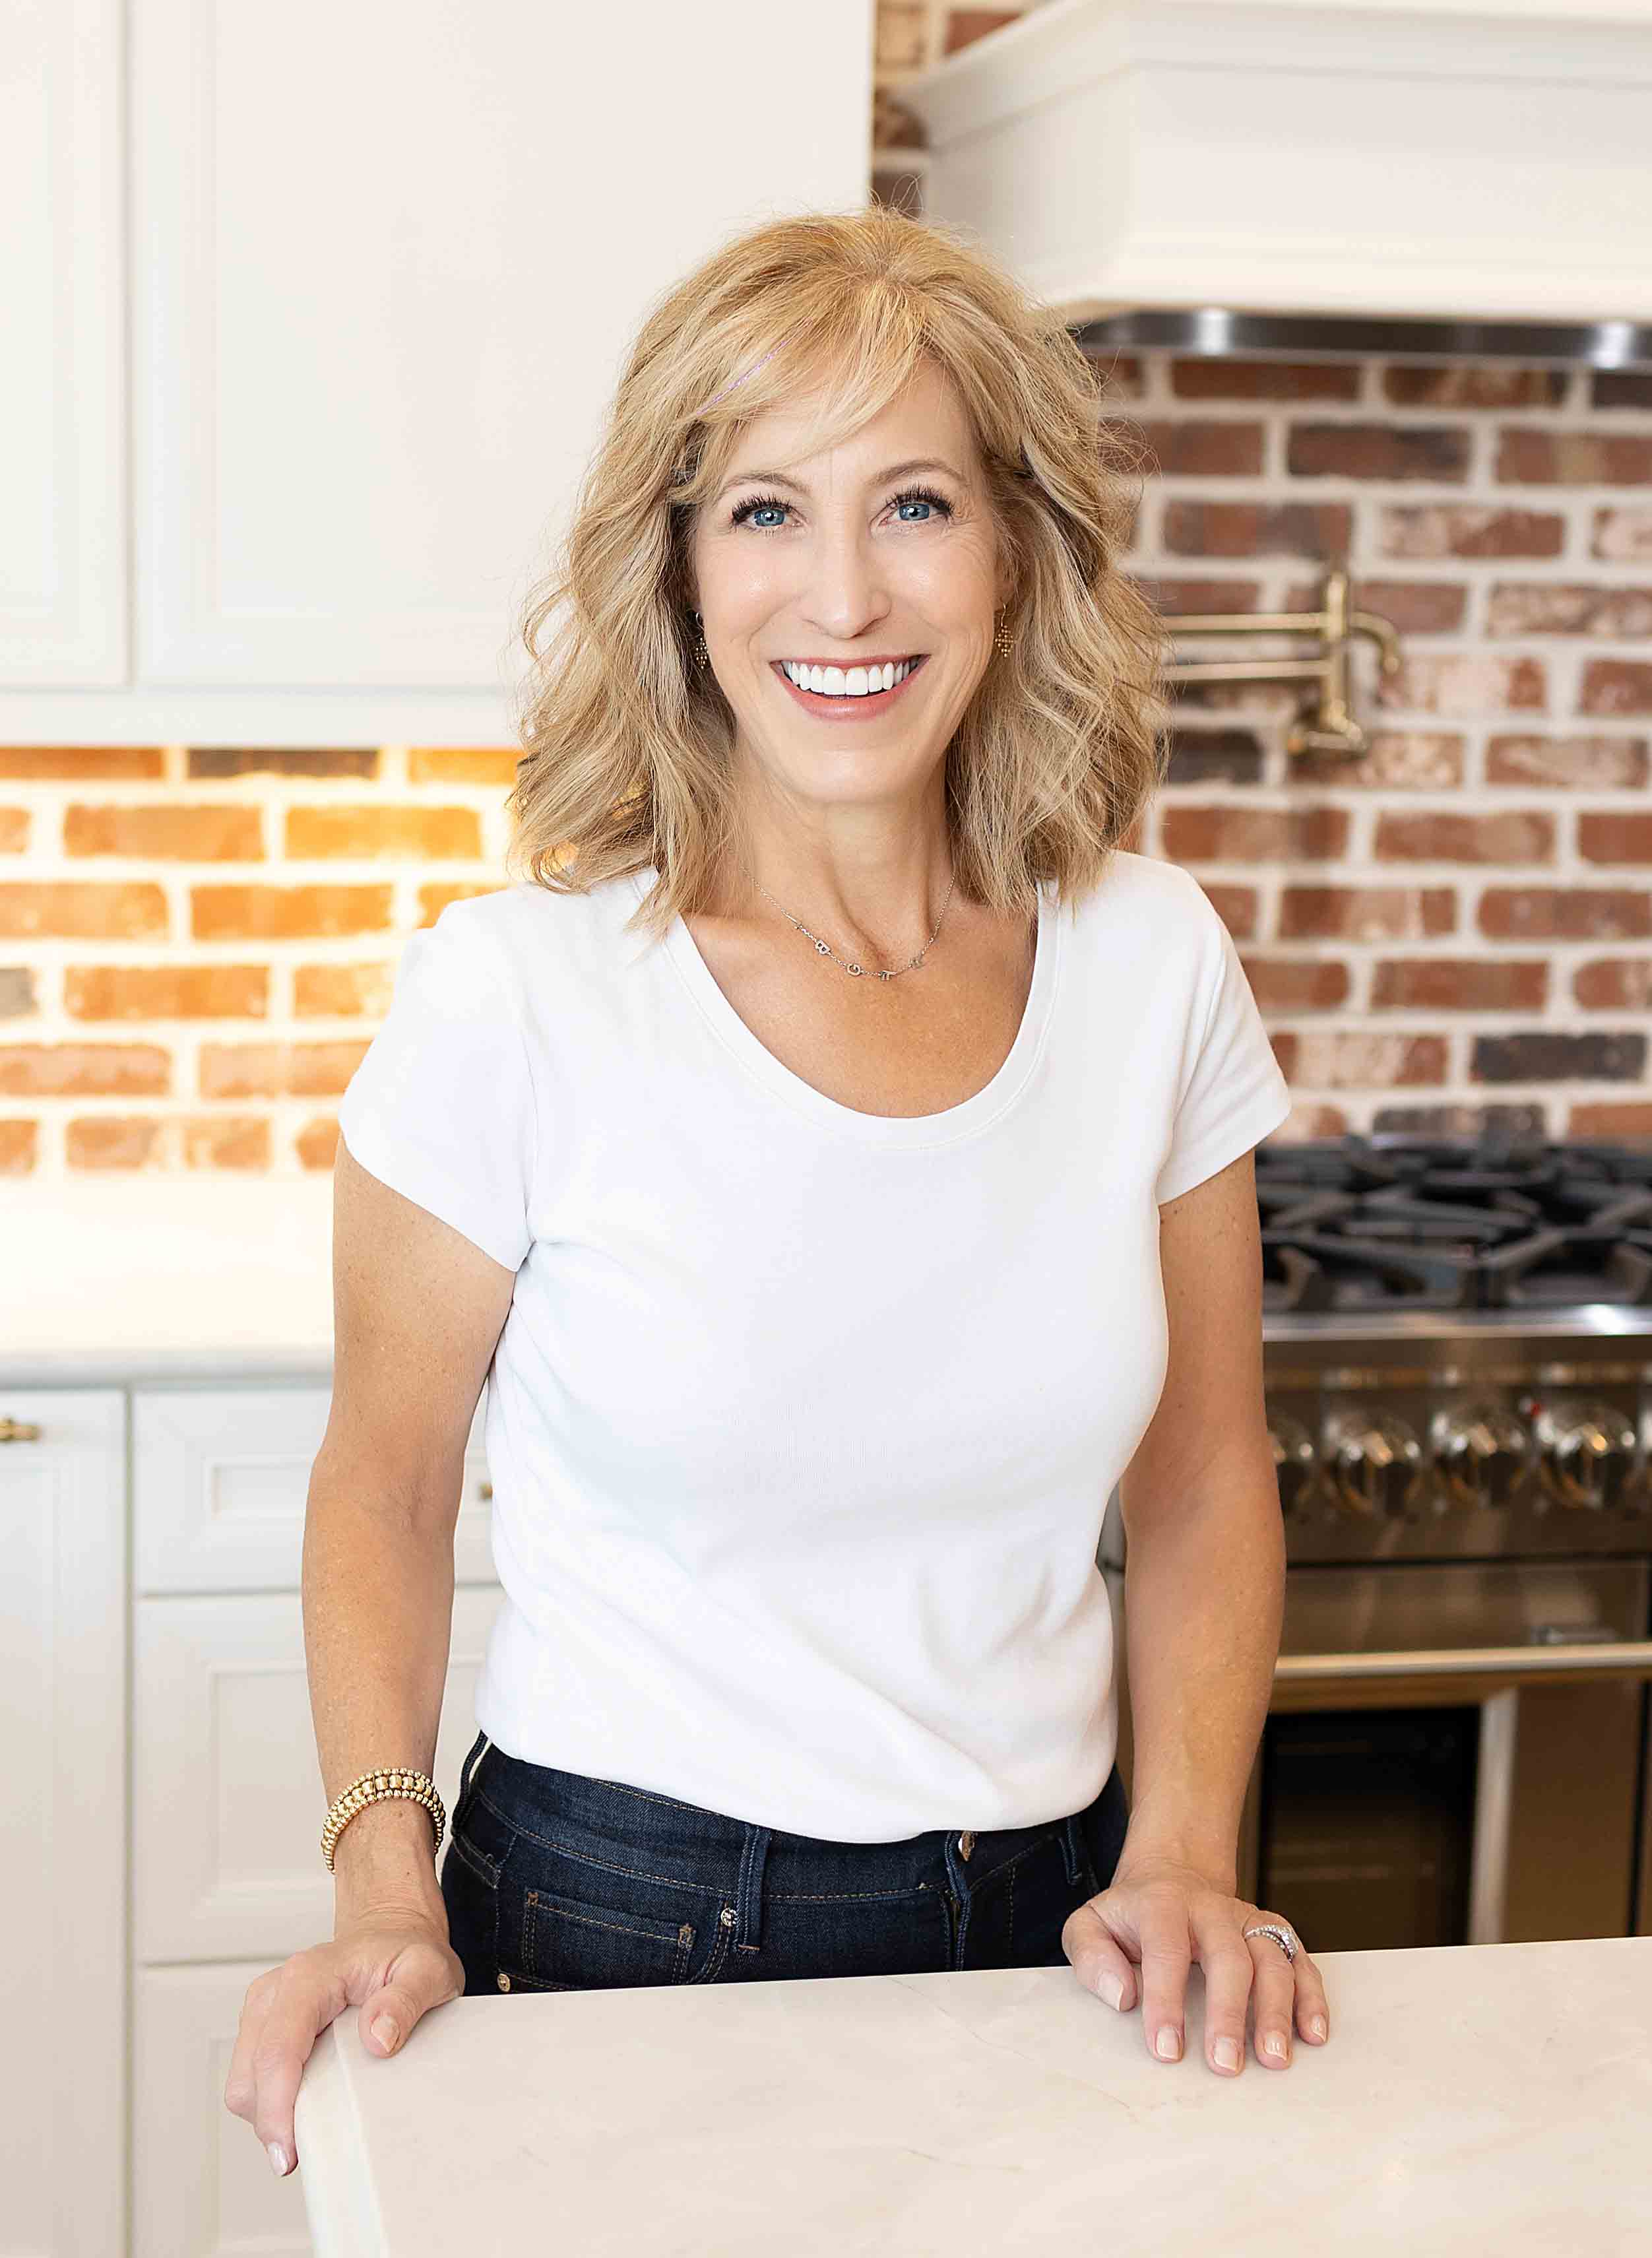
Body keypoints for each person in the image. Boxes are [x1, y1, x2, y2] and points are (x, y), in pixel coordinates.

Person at [226, 205, 1331, 2184]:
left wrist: (1182, 1854)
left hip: (1064, 1918)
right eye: (763, 512)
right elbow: (383, 1483)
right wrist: (386, 1883)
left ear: (1014, 550)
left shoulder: (1151, 961)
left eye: (913, 503)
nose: (843, 594)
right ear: (676, 563)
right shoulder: (527, 993)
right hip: (627, 1917)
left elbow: (1201, 1475)